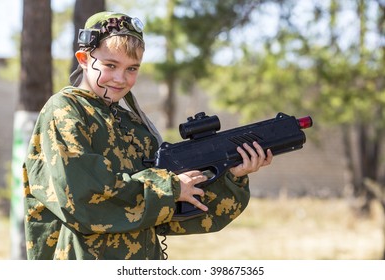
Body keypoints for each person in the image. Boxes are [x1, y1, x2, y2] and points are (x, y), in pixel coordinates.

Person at [22, 11, 273, 260]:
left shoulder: (135, 126)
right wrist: (171, 188)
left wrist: (231, 177)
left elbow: (173, 215)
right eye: (110, 65)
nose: (121, 78)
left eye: (132, 68)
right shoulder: (66, 110)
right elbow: (82, 199)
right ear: (84, 59)